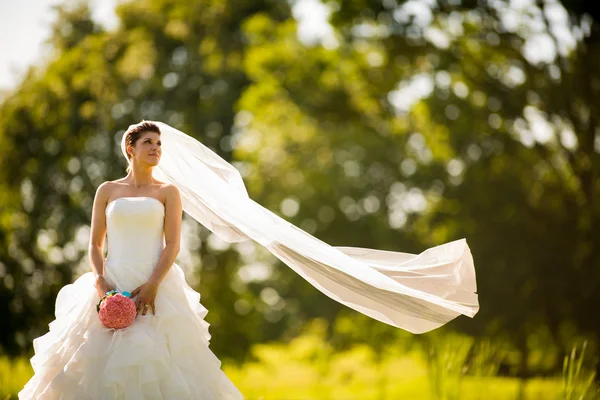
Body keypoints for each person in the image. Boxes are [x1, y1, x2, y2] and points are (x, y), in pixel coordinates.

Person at [19, 121, 244, 399]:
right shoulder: (107, 190)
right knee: (92, 362)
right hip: (112, 281)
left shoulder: (168, 192)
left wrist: (152, 285)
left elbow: (173, 245)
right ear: (131, 148)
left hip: (155, 283)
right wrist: (100, 283)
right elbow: (94, 243)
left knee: (161, 360)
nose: (155, 148)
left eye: (159, 144)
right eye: (148, 142)